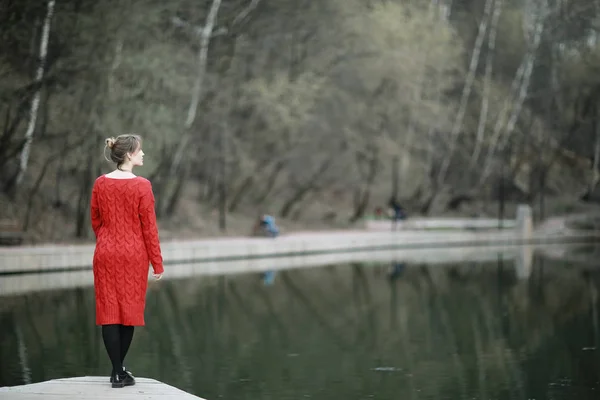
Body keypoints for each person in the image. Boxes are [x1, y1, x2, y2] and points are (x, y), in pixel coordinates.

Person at [90, 134, 164, 388]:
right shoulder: (142, 186)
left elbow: (96, 220)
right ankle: (119, 371)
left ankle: (117, 371)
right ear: (129, 155)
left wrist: (108, 239)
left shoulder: (100, 183)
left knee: (109, 312)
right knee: (128, 313)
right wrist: (157, 262)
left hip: (105, 254)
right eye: (140, 150)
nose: (143, 154)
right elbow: (149, 228)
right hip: (134, 256)